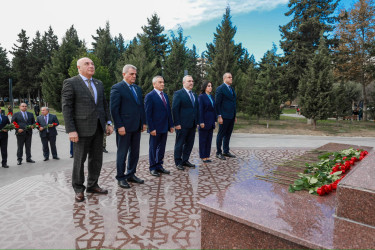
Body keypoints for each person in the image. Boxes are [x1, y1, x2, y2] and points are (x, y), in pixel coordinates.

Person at [62, 57, 113, 202]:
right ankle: (78, 189)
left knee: (96, 159)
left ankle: (93, 185)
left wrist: (108, 122)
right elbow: (66, 108)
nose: (91, 66)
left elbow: (103, 104)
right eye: (87, 64)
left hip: (98, 128)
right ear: (79, 67)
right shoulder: (71, 83)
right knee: (79, 161)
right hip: (80, 130)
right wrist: (71, 130)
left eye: (92, 63)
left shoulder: (99, 83)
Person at [110, 64, 146, 189]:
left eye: (135, 74)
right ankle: (120, 177)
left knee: (135, 152)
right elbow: (114, 109)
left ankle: (131, 174)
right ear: (124, 74)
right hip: (123, 128)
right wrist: (119, 125)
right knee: (122, 153)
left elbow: (141, 107)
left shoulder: (137, 89)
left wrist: (143, 123)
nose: (134, 76)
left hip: (136, 127)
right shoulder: (117, 88)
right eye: (131, 74)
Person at [145, 76, 174, 177]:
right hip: (155, 128)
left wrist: (171, 125)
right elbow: (148, 114)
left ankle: (159, 165)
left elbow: (168, 112)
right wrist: (151, 128)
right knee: (153, 148)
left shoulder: (165, 96)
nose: (162, 84)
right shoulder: (150, 96)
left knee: (162, 148)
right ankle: (152, 167)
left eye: (163, 82)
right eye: (160, 82)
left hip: (164, 127)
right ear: (154, 84)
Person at [172, 75, 199, 170]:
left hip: (192, 124)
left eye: (192, 81)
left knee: (189, 143)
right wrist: (177, 123)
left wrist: (197, 121)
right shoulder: (178, 94)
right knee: (179, 143)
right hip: (182, 124)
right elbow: (175, 109)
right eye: (189, 81)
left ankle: (185, 160)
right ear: (184, 83)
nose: (191, 83)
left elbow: (196, 109)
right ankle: (178, 162)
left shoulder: (194, 94)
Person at [215, 72, 237, 160]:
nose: (231, 78)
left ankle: (226, 151)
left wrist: (235, 115)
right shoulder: (220, 89)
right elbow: (217, 103)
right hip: (223, 116)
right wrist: (219, 116)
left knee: (228, 134)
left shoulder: (232, 89)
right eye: (229, 77)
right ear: (225, 78)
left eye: (231, 77)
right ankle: (218, 152)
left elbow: (233, 103)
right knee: (221, 134)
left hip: (231, 116)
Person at [198, 81, 216, 163]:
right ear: (205, 87)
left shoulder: (211, 97)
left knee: (209, 140)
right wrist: (201, 121)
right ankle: (203, 156)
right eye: (209, 86)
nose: (210, 87)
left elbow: (214, 109)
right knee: (203, 140)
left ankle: (207, 156)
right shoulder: (201, 97)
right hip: (204, 121)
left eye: (211, 86)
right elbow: (200, 110)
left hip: (211, 121)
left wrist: (215, 120)